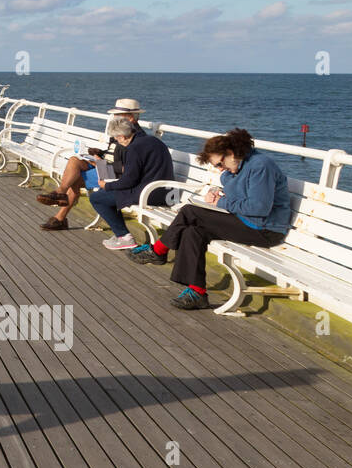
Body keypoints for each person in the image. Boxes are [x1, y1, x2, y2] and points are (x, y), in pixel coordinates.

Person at [129, 128, 291, 310]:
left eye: (220, 164)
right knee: (192, 231)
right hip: (246, 222)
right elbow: (239, 194)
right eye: (217, 166)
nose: (220, 169)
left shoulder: (261, 166)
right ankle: (197, 291)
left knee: (190, 211)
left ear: (231, 153)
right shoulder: (237, 168)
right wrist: (218, 192)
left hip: (264, 229)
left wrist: (221, 202)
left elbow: (259, 208)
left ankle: (158, 250)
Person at [36, 99, 145, 231]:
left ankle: (60, 210)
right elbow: (114, 152)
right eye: (115, 115)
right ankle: (60, 196)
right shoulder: (121, 129)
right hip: (105, 165)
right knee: (74, 160)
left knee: (74, 178)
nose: (115, 117)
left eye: (118, 115)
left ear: (131, 118)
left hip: (114, 173)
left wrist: (99, 163)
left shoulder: (137, 138)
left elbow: (128, 167)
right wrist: (100, 153)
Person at [86, 118, 174, 249]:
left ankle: (124, 236)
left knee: (97, 198)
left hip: (149, 194)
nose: (117, 141)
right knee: (106, 194)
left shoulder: (134, 148)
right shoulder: (153, 140)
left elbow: (129, 181)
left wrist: (107, 185)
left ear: (121, 136)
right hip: (166, 191)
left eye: (116, 139)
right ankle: (121, 235)